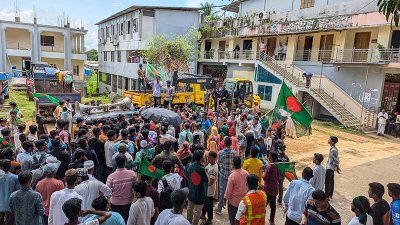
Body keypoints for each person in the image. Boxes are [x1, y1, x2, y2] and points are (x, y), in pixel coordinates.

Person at [106, 154, 137, 223]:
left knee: (117, 221)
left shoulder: (111, 176)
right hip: (128, 202)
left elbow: (107, 190)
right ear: (125, 162)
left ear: (116, 163)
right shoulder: (132, 174)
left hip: (115, 203)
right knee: (126, 220)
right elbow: (135, 186)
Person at [224, 156, 249, 225]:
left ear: (233, 165)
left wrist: (225, 199)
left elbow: (228, 190)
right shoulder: (246, 173)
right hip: (244, 201)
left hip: (233, 202)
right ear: (241, 164)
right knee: (241, 219)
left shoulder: (232, 175)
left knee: (233, 219)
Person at [187, 150, 208, 225]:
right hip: (199, 193)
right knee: (197, 212)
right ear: (201, 158)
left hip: (191, 191)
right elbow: (206, 179)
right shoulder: (201, 169)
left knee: (189, 209)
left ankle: (188, 222)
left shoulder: (190, 166)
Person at [217, 137, 237, 215]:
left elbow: (218, 163)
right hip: (232, 175)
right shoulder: (234, 152)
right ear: (231, 143)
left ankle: (219, 210)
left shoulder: (221, 152)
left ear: (224, 143)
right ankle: (231, 210)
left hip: (223, 175)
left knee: (222, 192)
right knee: (232, 192)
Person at [0, 159, 20, 225]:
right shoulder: (15, 177)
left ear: (1, 167)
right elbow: (17, 191)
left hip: (1, 205)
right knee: (10, 222)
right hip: (11, 205)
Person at [201, 151, 218, 225]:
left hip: (210, 189)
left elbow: (210, 183)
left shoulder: (214, 169)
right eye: (208, 157)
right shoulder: (211, 164)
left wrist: (203, 183)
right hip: (207, 189)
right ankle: (203, 214)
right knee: (205, 202)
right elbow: (205, 169)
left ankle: (210, 218)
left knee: (209, 204)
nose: (208, 159)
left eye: (210, 158)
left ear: (214, 158)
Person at [264, 151, 280, 225]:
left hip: (268, 188)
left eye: (269, 156)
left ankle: (262, 219)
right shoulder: (277, 166)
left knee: (264, 204)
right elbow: (278, 177)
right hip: (274, 188)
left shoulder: (270, 166)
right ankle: (272, 220)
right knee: (273, 205)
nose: (268, 157)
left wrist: (262, 172)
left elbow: (265, 177)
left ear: (271, 157)